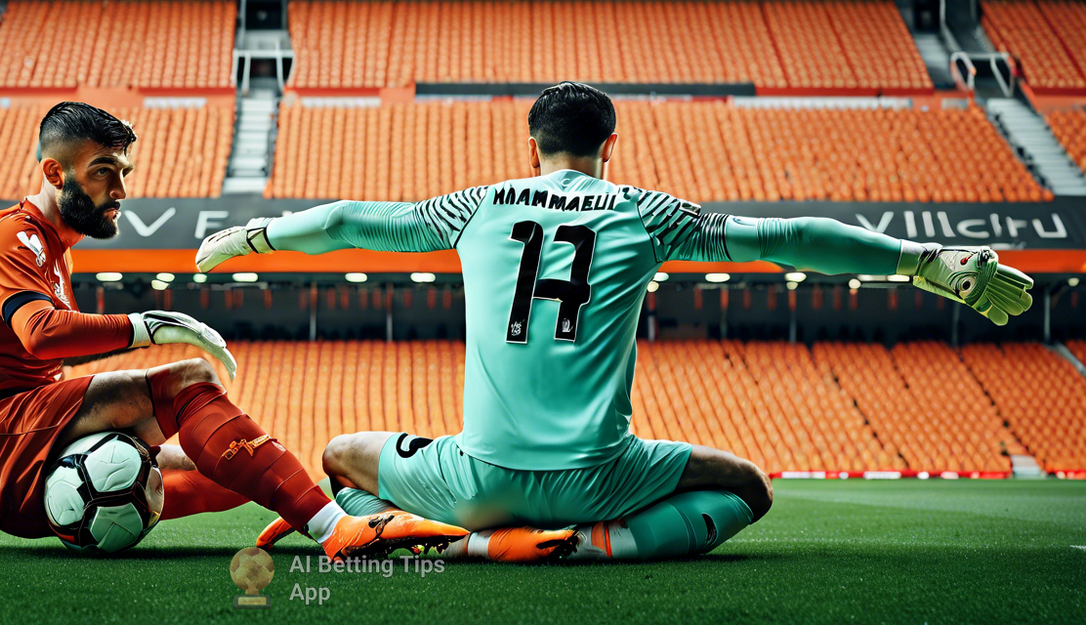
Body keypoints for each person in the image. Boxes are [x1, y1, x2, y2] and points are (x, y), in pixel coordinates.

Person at [196, 82, 1034, 561]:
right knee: (746, 483)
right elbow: (784, 240)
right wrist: (921, 263)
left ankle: (461, 542)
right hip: (602, 479)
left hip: (476, 478)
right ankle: (602, 546)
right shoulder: (644, 211)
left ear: (532, 149)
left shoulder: (477, 207)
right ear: (612, 146)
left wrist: (252, 235)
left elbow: (346, 218)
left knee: (342, 455)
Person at [0, 101, 469, 560]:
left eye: (122, 172)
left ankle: (311, 507)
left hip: (30, 454)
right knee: (189, 378)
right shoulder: (7, 235)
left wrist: (287, 494)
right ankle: (335, 531)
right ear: (54, 173)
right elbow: (40, 333)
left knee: (227, 473)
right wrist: (152, 326)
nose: (119, 188)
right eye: (102, 170)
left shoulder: (54, 250)